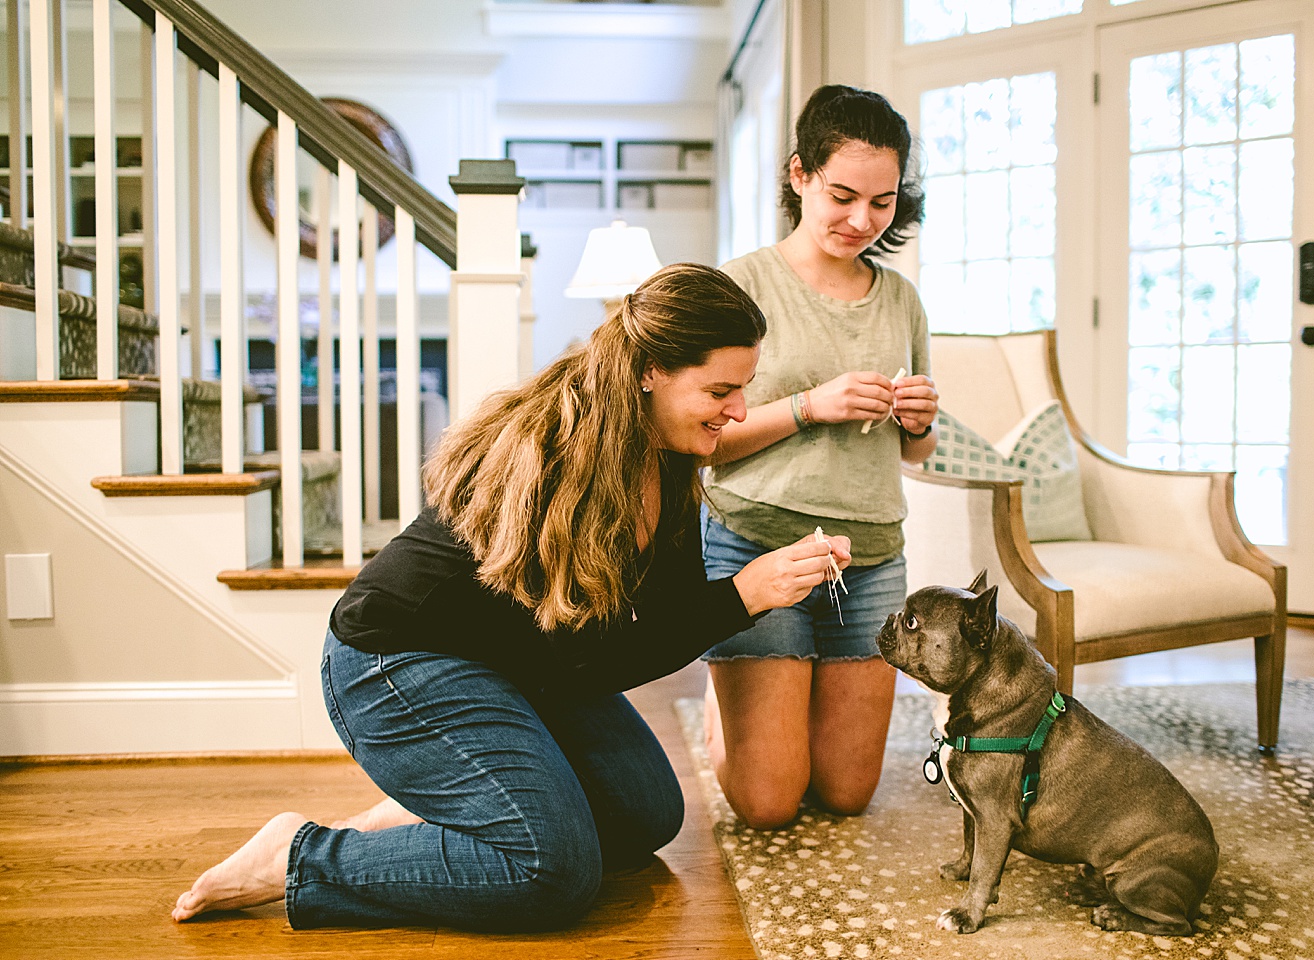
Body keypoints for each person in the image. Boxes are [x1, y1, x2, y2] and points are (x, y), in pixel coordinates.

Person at [170, 263, 852, 931]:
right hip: (396, 660)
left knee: (646, 815)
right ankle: (301, 855)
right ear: (651, 371)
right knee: (550, 872)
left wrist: (754, 589)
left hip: (517, 663)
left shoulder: (671, 457)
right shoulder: (558, 453)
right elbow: (592, 661)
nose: (737, 412)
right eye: (720, 392)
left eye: (744, 389)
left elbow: (651, 625)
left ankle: (452, 805)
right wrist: (741, 597)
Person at [702, 85, 938, 830]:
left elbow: (918, 454)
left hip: (868, 558)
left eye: (882, 202)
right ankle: (728, 696)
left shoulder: (901, 298)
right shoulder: (739, 285)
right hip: (756, 545)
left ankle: (762, 697)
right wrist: (811, 406)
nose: (862, 220)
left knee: (844, 795)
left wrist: (924, 421)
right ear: (799, 174)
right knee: (770, 804)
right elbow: (702, 443)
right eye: (842, 195)